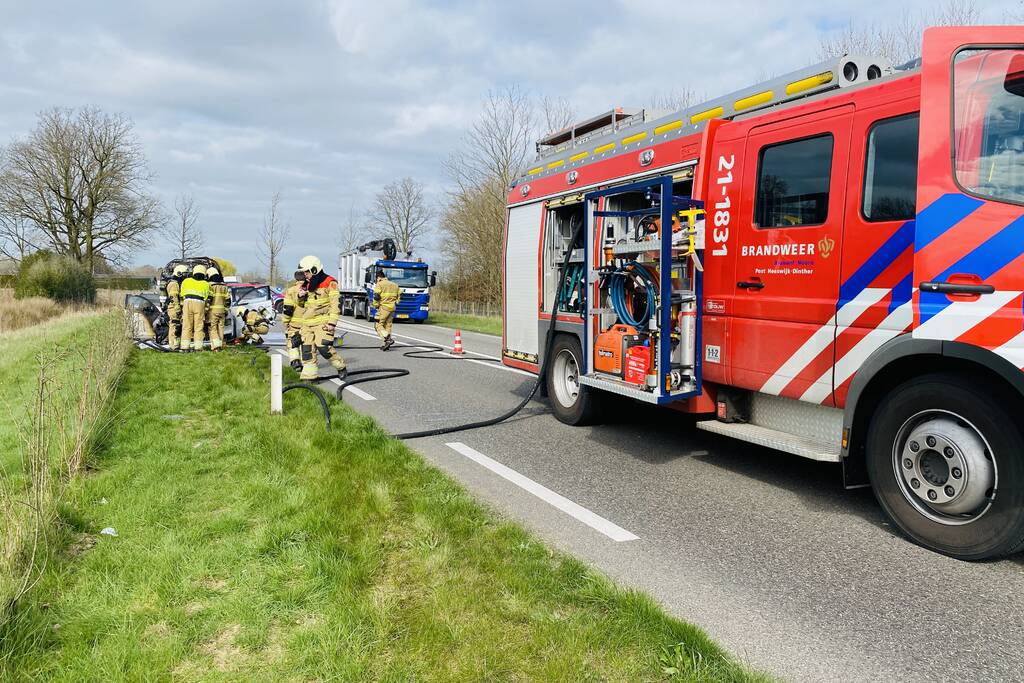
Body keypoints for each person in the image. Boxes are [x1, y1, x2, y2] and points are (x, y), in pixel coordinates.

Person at [296, 255, 346, 381]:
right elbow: (302, 305)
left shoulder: (330, 283)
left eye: (306, 272)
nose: (305, 275)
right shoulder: (306, 285)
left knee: (324, 348)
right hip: (307, 324)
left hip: (323, 322)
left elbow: (336, 305)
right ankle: (309, 377)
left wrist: (332, 323)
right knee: (307, 350)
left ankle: (340, 366)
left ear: (314, 270)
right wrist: (300, 297)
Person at [280, 272, 307, 371]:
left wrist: (286, 322)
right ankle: (307, 364)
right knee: (307, 344)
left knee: (292, 343)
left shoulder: (291, 291)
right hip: (308, 324)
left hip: (294, 324)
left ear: (296, 278)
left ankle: (295, 361)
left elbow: (288, 309)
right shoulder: (310, 289)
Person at [179, 264, 210, 352]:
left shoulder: (186, 281)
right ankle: (198, 347)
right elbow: (207, 296)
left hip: (187, 302)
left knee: (186, 326)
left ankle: (185, 347)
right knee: (198, 327)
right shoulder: (205, 284)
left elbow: (181, 294)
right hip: (199, 303)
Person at [372, 269, 400, 351]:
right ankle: (386, 344)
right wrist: (395, 303)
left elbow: (376, 296)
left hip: (383, 308)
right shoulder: (394, 285)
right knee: (388, 325)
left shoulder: (379, 284)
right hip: (392, 308)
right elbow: (399, 296)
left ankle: (387, 339)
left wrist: (376, 306)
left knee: (378, 325)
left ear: (378, 277)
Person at [206, 267, 230, 351]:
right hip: (222, 312)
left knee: (212, 328)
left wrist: (206, 309)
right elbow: (228, 300)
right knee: (221, 328)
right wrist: (226, 310)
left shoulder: (211, 286)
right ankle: (221, 345)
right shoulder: (224, 286)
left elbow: (209, 299)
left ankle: (216, 347)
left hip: (212, 311)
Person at [164, 264, 188, 350]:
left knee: (178, 327)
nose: (185, 276)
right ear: (179, 273)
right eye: (184, 274)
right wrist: (178, 310)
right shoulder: (173, 284)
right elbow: (173, 297)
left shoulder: (177, 283)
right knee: (174, 326)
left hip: (177, 308)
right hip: (174, 309)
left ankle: (176, 345)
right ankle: (173, 346)